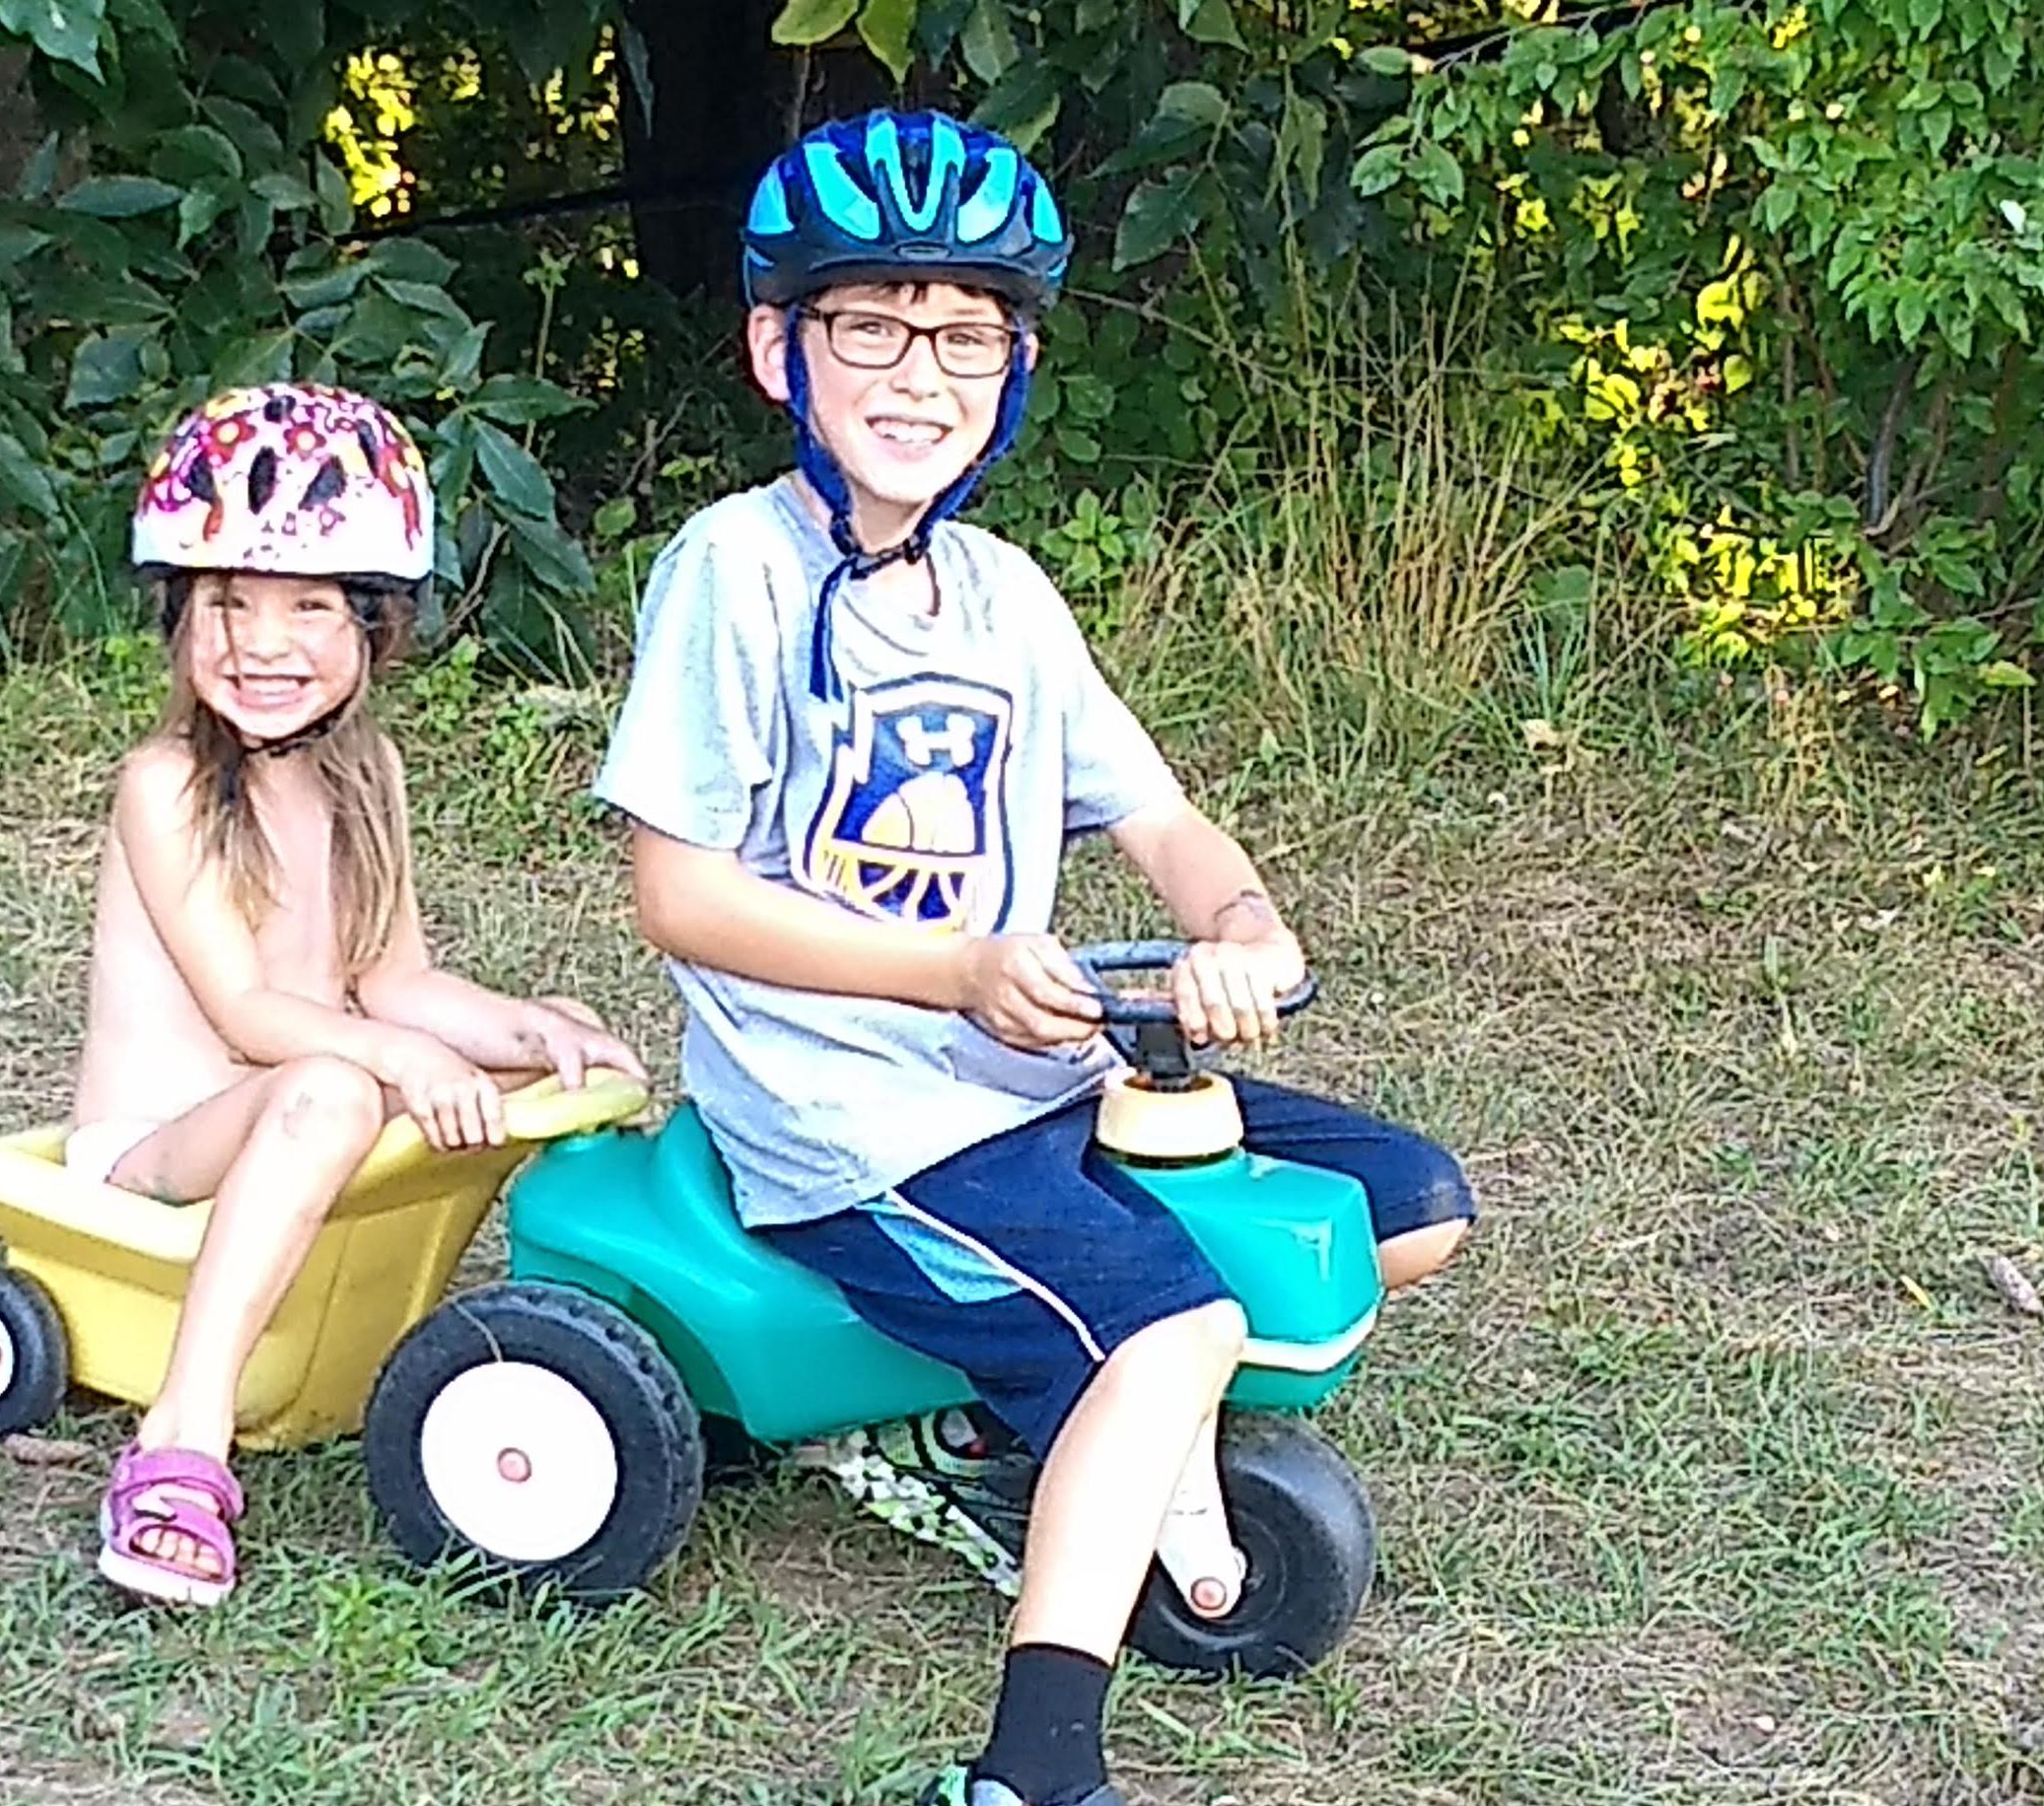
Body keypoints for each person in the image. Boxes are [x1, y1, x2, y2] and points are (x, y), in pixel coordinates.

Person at [593, 113, 1475, 1804]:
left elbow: (1163, 820)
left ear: (1014, 365)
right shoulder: (735, 570)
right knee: (1171, 1329)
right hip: (861, 1117)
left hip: (1037, 1071)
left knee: (1410, 1208)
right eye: (872, 325)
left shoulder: (1004, 595)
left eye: (966, 334)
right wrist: (952, 974)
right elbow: (680, 898)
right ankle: (1034, 1764)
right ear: (781, 349)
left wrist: (1239, 925)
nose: (918, 373)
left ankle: (1018, 1428)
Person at [71, 382, 643, 1607]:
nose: (261, 642)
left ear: (375, 625)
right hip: (156, 1150)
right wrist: (402, 1058)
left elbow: (395, 977)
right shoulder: (165, 782)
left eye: (308, 606)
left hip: (293, 1103)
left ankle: (589, 1333)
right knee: (338, 1082)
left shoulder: (364, 769)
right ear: (179, 613)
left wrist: (530, 1026)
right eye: (227, 602)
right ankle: (181, 1438)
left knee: (532, 1051)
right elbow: (246, 1014)